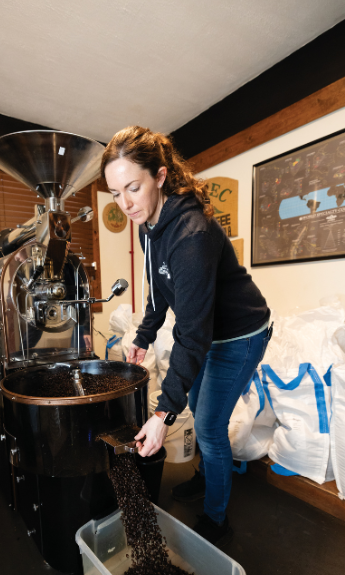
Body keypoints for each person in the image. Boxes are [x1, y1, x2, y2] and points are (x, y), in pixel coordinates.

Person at [102, 126, 271, 548]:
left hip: (240, 334)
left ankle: (216, 520)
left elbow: (192, 335)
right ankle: (205, 477)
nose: (125, 204)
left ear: (160, 177)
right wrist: (143, 334)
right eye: (115, 193)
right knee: (195, 404)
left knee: (210, 427)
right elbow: (160, 294)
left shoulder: (191, 235)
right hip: (207, 332)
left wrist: (161, 416)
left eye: (133, 188)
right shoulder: (148, 227)